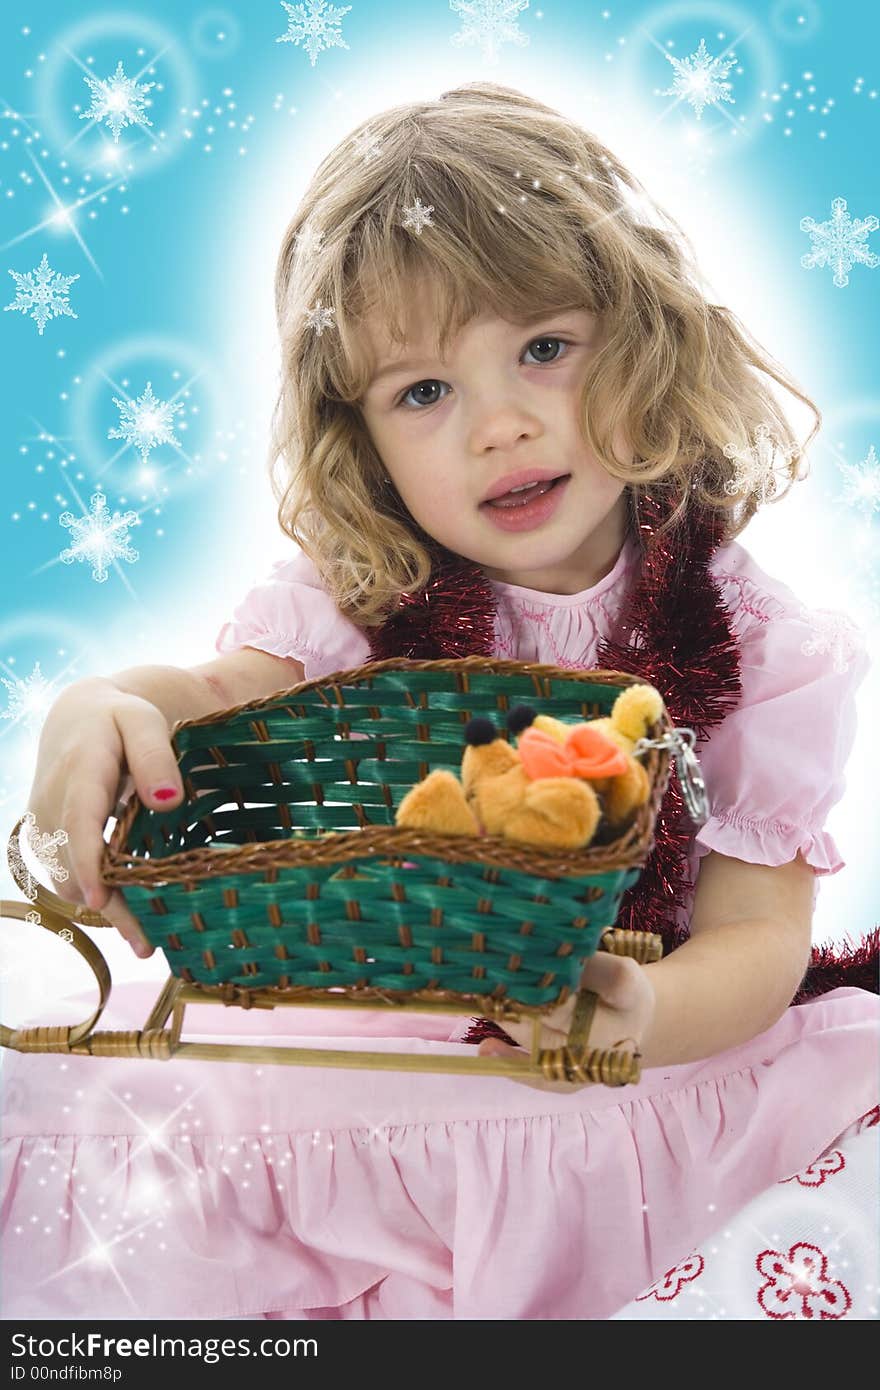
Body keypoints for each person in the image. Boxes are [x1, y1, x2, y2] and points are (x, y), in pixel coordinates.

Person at [4, 82, 877, 1321]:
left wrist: (639, 1014)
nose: (499, 426)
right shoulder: (363, 596)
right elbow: (209, 697)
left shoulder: (757, 643)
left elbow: (754, 939)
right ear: (360, 439)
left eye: (542, 348)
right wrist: (101, 707)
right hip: (373, 1033)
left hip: (609, 1056)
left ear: (644, 332)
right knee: (93, 1123)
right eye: (423, 391)